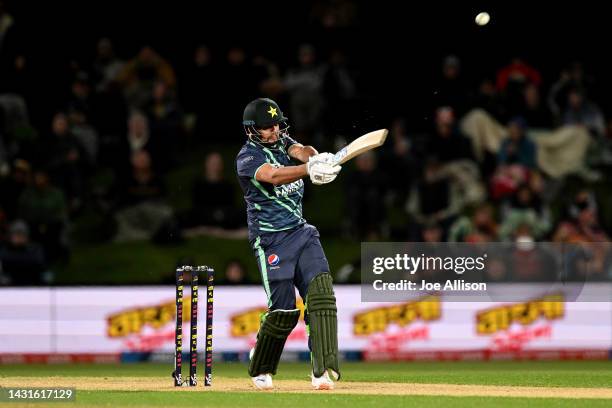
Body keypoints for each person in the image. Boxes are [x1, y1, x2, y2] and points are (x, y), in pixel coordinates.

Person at [235, 98, 341, 391]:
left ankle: (320, 370)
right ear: (251, 130)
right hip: (270, 240)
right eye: (266, 127)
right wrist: (309, 170)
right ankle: (262, 363)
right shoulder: (247, 157)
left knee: (320, 298)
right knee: (283, 311)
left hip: (302, 233)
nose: (273, 131)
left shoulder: (283, 141)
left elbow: (301, 151)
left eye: (277, 125)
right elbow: (274, 175)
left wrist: (318, 158)